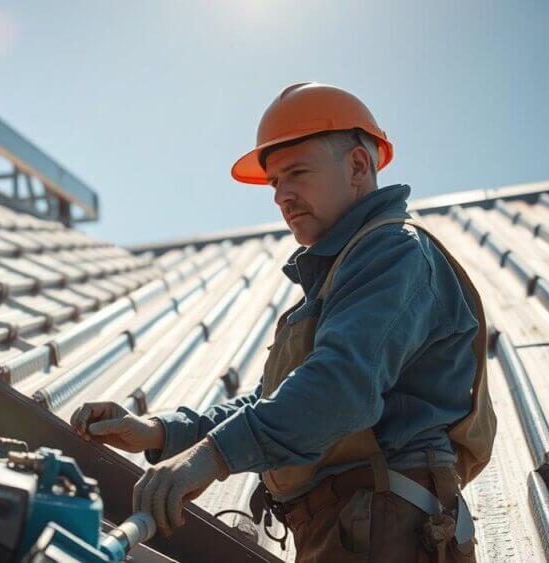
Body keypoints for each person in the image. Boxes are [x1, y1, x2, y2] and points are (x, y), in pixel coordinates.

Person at [70, 82, 495, 562]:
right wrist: (161, 432)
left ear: (358, 166)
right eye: (274, 182)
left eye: (296, 173)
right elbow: (276, 400)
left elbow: (338, 390)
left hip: (386, 527)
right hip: (354, 525)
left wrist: (209, 458)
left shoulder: (393, 253)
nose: (282, 196)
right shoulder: (342, 270)